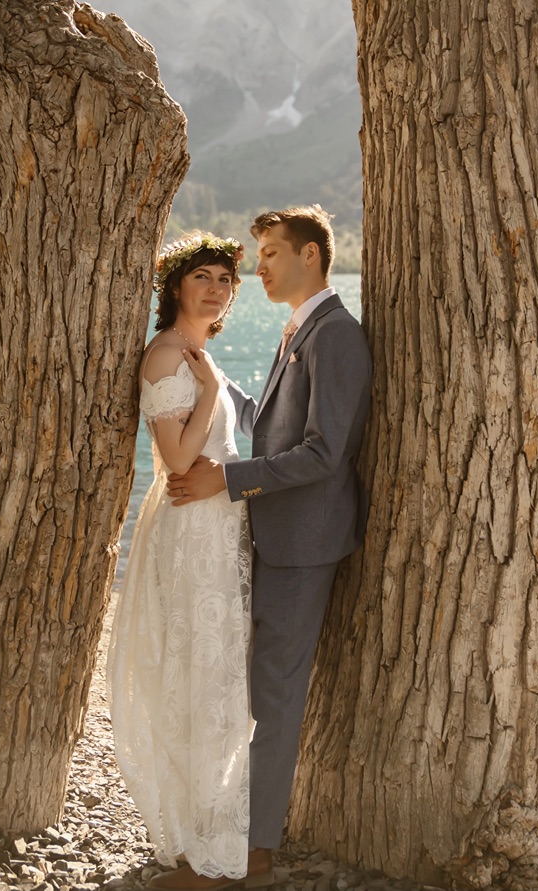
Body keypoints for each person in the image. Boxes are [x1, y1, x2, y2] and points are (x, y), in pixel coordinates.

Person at [166, 206, 372, 889]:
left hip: (303, 543)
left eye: (272, 253)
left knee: (276, 698)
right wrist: (215, 386)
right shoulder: (300, 328)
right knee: (257, 689)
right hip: (276, 536)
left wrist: (229, 479)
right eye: (258, 254)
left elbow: (324, 451)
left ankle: (252, 857)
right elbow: (275, 428)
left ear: (312, 256)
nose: (259, 268)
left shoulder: (335, 333)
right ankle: (235, 834)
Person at [107, 232, 255, 887]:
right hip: (192, 525)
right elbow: (175, 461)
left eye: (225, 278)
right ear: (175, 287)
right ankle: (199, 830)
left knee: (220, 668)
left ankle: (219, 812)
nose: (216, 288)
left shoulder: (195, 354)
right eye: (203, 276)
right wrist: (209, 383)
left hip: (217, 524)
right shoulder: (169, 355)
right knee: (199, 669)